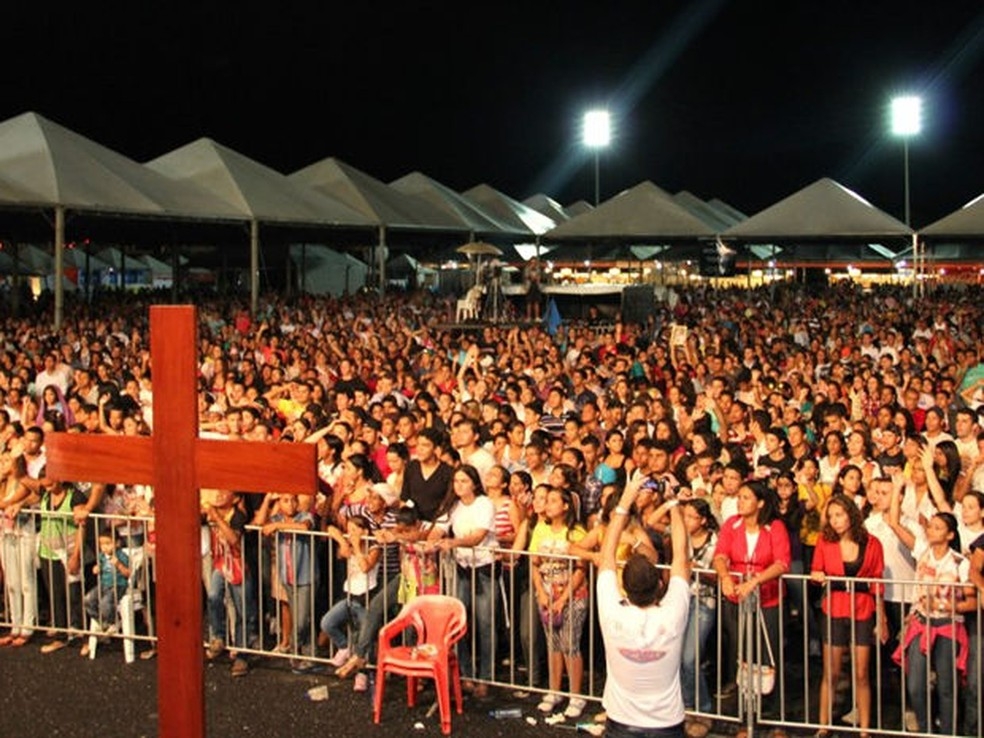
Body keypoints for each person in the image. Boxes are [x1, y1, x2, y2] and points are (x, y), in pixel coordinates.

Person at [597, 474, 691, 738]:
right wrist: (673, 504)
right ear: (660, 587)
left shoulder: (611, 611)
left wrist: (626, 498)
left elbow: (606, 554)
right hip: (666, 724)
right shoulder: (672, 613)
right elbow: (681, 557)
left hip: (622, 723)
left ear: (624, 587)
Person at [892, 507, 977, 735]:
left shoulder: (960, 563)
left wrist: (947, 606)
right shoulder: (922, 552)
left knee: (946, 687)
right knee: (915, 686)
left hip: (947, 626)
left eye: (938, 527)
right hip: (921, 622)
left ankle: (948, 731)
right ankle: (926, 728)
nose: (931, 530)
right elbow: (895, 523)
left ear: (950, 535)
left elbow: (972, 602)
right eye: (930, 526)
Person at [809, 494, 885, 738]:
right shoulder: (824, 541)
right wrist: (817, 575)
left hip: (863, 609)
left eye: (839, 515)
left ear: (851, 514)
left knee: (862, 672)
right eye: (831, 516)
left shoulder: (872, 543)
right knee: (831, 672)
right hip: (834, 608)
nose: (835, 521)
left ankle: (864, 730)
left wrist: (881, 619)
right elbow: (816, 569)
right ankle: (823, 726)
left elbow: (877, 582)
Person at [427, 464, 498, 697]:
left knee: (486, 624)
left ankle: (486, 677)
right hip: (462, 567)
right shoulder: (453, 505)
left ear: (475, 483)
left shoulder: (484, 504)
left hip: (484, 567)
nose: (459, 485)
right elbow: (438, 528)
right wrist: (433, 540)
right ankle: (465, 673)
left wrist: (453, 543)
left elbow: (479, 536)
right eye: (456, 481)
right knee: (458, 622)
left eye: (464, 481)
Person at [530, 486, 589, 718]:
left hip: (572, 595)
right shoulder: (540, 529)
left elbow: (581, 569)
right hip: (546, 593)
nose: (548, 504)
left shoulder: (576, 532)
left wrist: (564, 599)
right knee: (552, 642)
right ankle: (554, 690)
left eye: (554, 500)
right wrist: (541, 593)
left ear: (566, 506)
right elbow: (534, 562)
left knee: (569, 643)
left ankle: (576, 695)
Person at [82, 529, 131, 656]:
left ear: (117, 543)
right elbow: (99, 568)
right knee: (87, 599)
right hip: (104, 585)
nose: (104, 547)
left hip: (118, 585)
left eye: (108, 543)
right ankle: (103, 623)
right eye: (102, 544)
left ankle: (113, 622)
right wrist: (96, 569)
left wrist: (119, 565)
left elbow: (128, 573)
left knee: (105, 602)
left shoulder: (121, 556)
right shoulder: (101, 557)